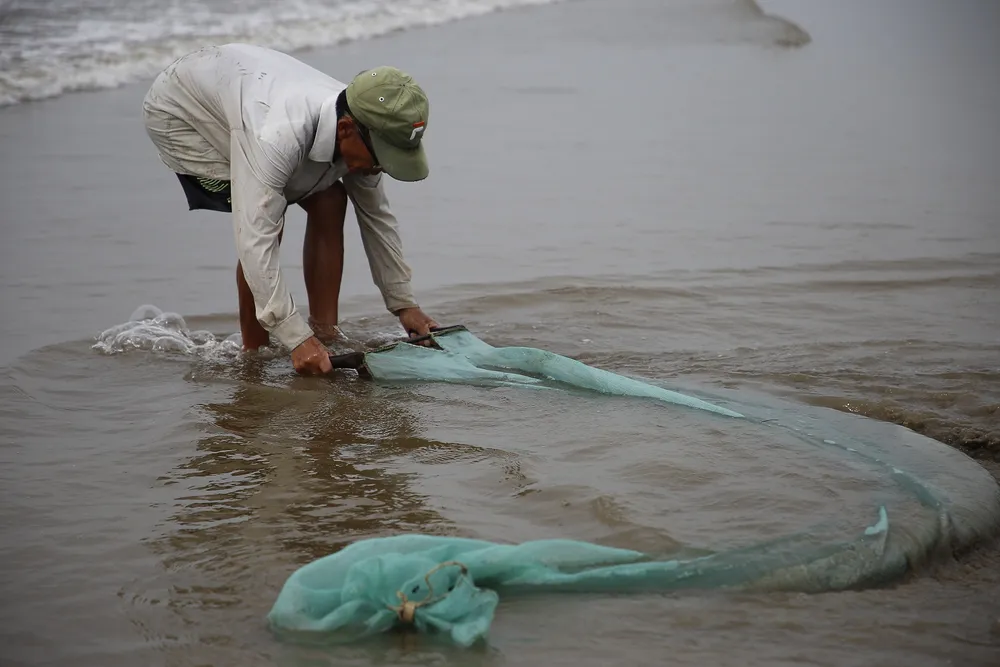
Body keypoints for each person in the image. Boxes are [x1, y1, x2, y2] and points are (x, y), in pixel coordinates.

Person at [141, 43, 439, 376]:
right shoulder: (276, 137)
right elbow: (255, 240)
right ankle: (254, 354)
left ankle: (325, 335)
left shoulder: (361, 120)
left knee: (330, 200)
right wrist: (295, 337)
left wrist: (404, 305)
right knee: (269, 217)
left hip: (244, 86)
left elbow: (377, 220)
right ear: (345, 130)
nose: (383, 168)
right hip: (183, 113)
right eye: (382, 157)